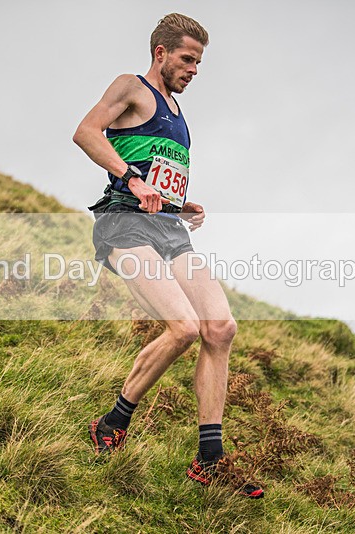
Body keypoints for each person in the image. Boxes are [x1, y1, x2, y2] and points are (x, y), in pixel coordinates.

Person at [73, 13, 263, 499]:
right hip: (125, 224)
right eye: (187, 58)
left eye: (199, 62)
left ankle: (209, 459)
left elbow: (159, 174)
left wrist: (181, 202)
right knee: (182, 327)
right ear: (161, 53)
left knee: (220, 327)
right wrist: (129, 178)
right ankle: (113, 422)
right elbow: (87, 132)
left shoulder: (178, 115)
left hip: (168, 227)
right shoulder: (131, 86)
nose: (194, 69)